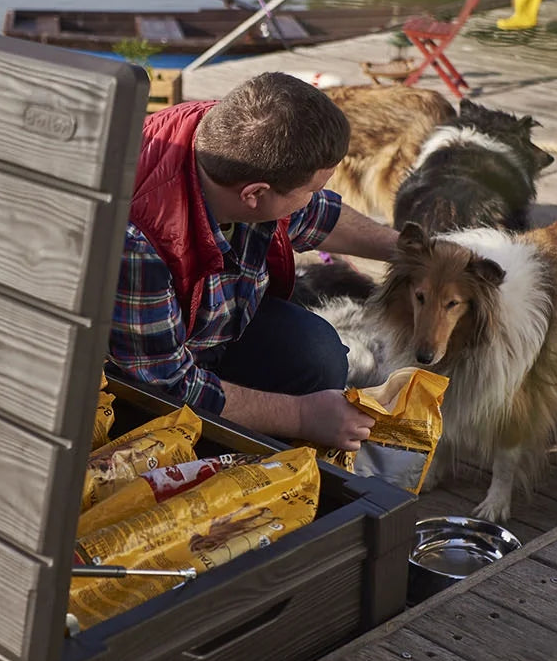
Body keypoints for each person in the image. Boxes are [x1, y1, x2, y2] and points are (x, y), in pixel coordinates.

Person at [109, 71, 399, 451]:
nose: (316, 197)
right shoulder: (140, 243)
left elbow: (315, 217)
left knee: (319, 353)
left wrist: (413, 250)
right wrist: (300, 416)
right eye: (312, 189)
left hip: (213, 326)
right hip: (138, 383)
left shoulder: (228, 140)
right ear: (255, 195)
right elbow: (164, 385)